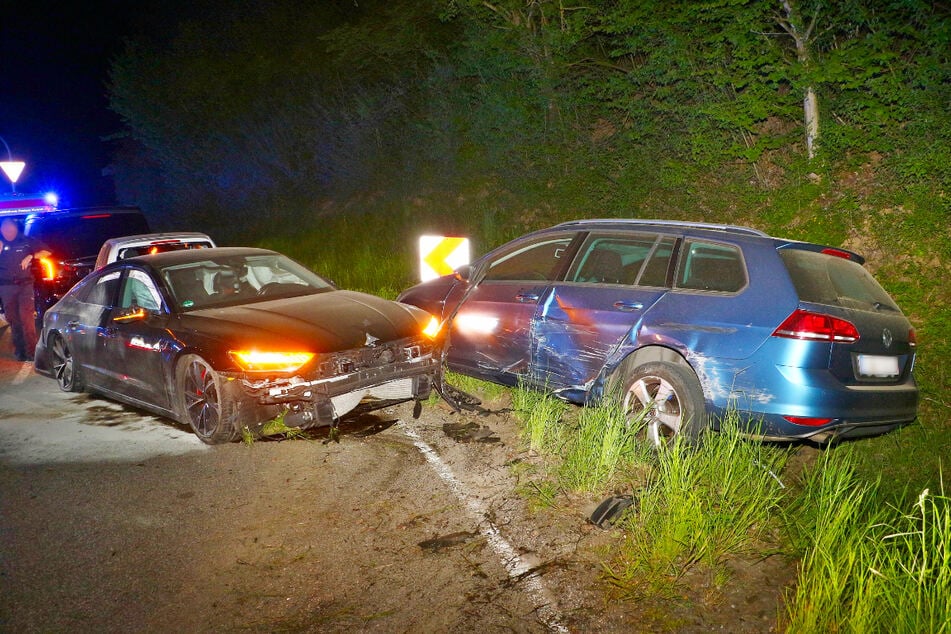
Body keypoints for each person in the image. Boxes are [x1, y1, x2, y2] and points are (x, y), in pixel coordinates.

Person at [0, 218, 51, 362]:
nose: (8, 231)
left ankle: (32, 353)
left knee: (27, 319)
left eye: (11, 228)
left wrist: (31, 256)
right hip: (6, 286)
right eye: (4, 229)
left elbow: (47, 252)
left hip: (25, 286)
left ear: (16, 229)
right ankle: (20, 351)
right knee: (13, 319)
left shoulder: (26, 240)